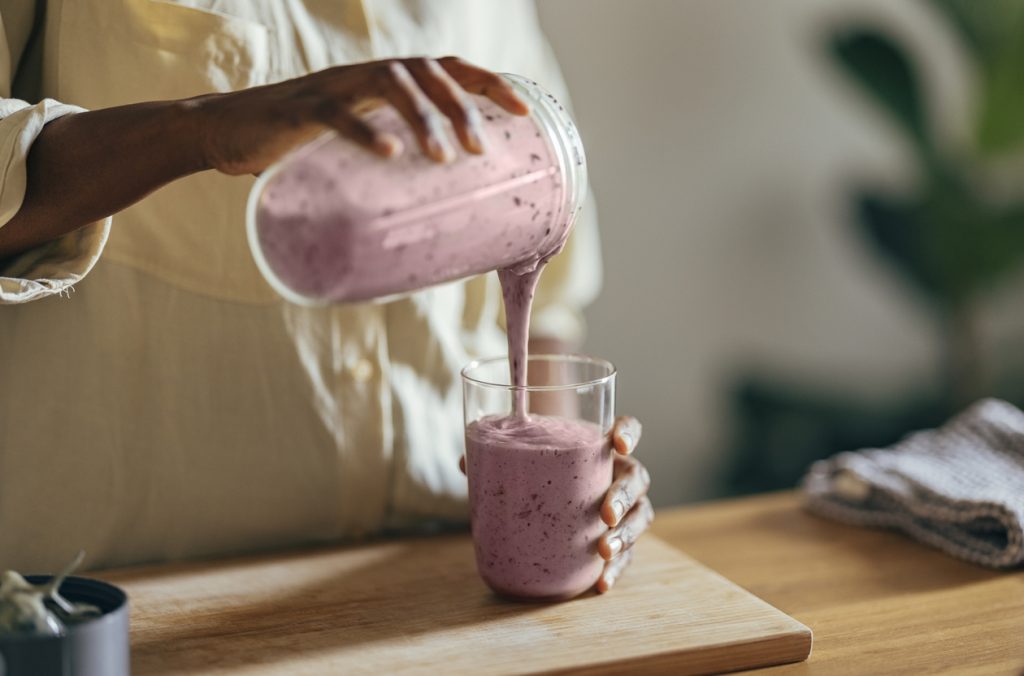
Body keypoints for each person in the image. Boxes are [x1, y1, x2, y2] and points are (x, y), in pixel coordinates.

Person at [0, 0, 652, 592]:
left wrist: (568, 498)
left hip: (439, 587)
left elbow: (550, 290)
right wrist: (203, 127)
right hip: (123, 605)